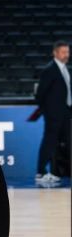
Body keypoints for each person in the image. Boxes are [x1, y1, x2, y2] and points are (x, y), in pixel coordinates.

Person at [34, 40, 70, 186]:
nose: (66, 55)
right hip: (54, 115)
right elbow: (40, 94)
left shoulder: (64, 68)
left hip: (65, 114)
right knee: (49, 143)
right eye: (63, 52)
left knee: (65, 143)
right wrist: (49, 112)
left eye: (67, 52)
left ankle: (57, 172)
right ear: (55, 53)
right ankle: (41, 172)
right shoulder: (50, 69)